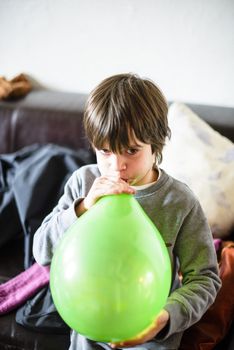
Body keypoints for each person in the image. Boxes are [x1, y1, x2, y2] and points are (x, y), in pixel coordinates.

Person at [33, 73, 221, 350]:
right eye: (105, 151)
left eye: (131, 151)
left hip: (151, 338)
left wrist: (166, 317)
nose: (116, 166)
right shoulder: (83, 184)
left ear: (156, 145)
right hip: (88, 334)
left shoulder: (179, 202)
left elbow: (205, 277)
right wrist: (83, 207)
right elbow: (42, 251)